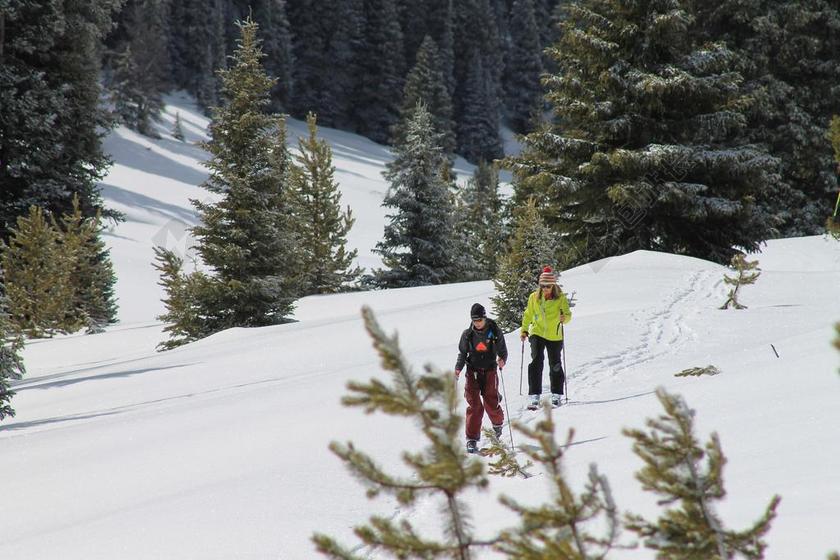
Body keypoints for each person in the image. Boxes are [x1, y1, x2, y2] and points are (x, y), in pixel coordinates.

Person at [454, 303, 508, 454]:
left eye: (479, 320)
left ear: (484, 318)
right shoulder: (467, 334)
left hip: (490, 370)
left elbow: (502, 350)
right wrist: (458, 368)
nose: (477, 323)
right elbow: (462, 353)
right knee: (474, 404)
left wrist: (502, 359)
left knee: (490, 402)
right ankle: (471, 439)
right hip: (472, 371)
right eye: (474, 320)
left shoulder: (494, 331)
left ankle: (497, 424)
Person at [520, 266, 572, 409]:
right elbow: (528, 314)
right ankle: (534, 395)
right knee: (536, 361)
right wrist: (524, 330)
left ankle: (556, 394)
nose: (545, 289)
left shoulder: (560, 298)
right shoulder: (533, 298)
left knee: (555, 364)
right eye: (543, 286)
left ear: (553, 285)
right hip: (537, 332)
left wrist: (564, 318)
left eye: (548, 286)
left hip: (554, 335)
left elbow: (568, 315)